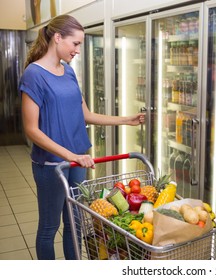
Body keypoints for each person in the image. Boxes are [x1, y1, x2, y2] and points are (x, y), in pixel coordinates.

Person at [19, 14, 145, 260]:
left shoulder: (68, 72)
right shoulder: (34, 75)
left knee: (75, 223)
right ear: (57, 38)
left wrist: (125, 120)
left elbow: (85, 114)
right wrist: (70, 155)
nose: (78, 50)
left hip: (78, 161)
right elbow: (31, 129)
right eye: (75, 43)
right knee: (49, 227)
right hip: (52, 165)